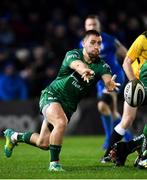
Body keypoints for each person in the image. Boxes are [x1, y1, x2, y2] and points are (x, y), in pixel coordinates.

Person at [3, 30, 120, 172]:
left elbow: (107, 78)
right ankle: (54, 164)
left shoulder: (102, 65)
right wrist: (84, 70)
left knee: (43, 143)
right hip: (52, 95)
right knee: (60, 122)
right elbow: (77, 65)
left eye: (99, 43)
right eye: (93, 42)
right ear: (84, 43)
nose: (97, 46)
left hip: (68, 107)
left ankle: (14, 136)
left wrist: (110, 84)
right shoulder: (73, 54)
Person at [82, 15, 133, 149]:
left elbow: (126, 54)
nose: (92, 27)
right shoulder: (82, 43)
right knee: (112, 111)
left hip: (114, 77)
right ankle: (128, 137)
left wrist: (133, 70)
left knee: (102, 105)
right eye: (89, 25)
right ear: (85, 27)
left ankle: (108, 140)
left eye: (94, 24)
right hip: (99, 81)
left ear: (99, 26)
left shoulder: (109, 40)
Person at [102, 31, 147, 162]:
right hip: (138, 84)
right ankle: (107, 154)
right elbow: (126, 62)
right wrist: (134, 83)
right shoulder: (143, 39)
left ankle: (134, 150)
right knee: (127, 120)